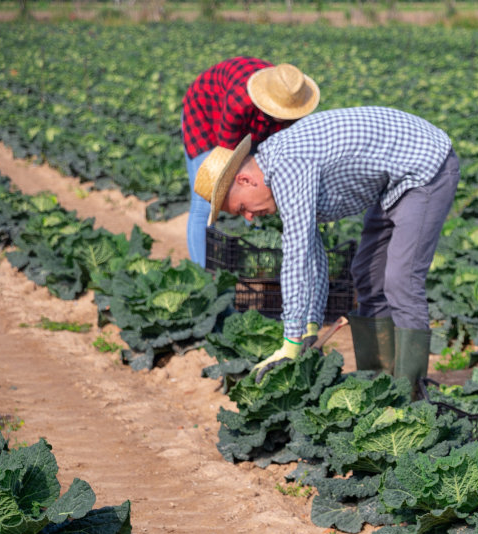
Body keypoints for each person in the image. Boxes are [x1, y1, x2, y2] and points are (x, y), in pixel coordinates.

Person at [190, 106, 459, 394]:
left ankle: (412, 393)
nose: (249, 217)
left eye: (242, 207)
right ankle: (379, 382)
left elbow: (297, 252)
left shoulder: (287, 165)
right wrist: (309, 326)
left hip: (425, 168)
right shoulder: (278, 166)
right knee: (367, 274)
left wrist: (291, 340)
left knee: (401, 279)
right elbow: (314, 254)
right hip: (391, 183)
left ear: (245, 180)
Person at [180, 59, 320, 268]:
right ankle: (203, 274)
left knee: (258, 192)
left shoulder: (294, 100)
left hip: (254, 122)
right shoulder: (239, 101)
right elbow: (226, 159)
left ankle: (257, 261)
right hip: (206, 114)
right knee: (204, 203)